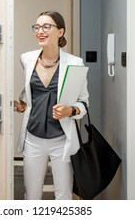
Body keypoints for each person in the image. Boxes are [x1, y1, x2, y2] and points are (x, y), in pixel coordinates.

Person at [14, 11, 89, 200]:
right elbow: (32, 92)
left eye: (46, 26)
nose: (40, 31)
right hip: (33, 137)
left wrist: (69, 110)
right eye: (37, 27)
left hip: (62, 139)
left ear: (60, 32)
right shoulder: (26, 59)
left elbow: (84, 102)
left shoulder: (75, 63)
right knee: (32, 194)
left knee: (63, 195)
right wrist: (23, 105)